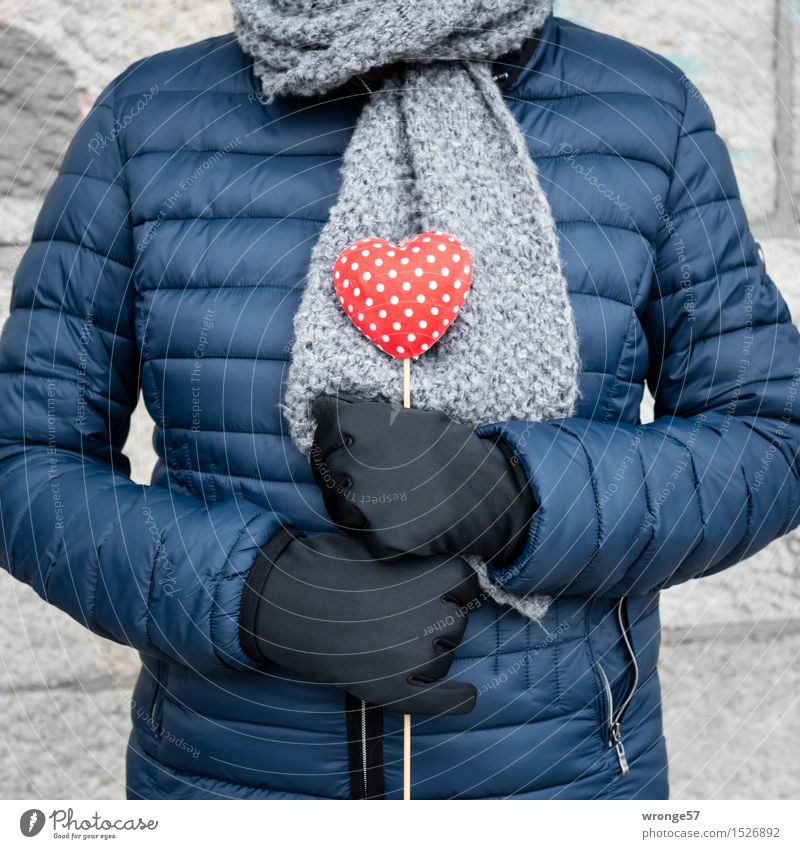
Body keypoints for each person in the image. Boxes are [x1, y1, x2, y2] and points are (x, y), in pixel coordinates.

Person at [1, 1, 798, 800]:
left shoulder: (645, 112)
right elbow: (25, 459)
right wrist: (251, 590)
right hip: (227, 792)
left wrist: (518, 495)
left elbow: (771, 432)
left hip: (563, 793)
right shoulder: (149, 118)